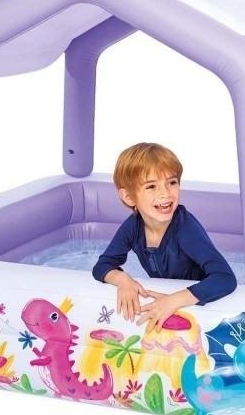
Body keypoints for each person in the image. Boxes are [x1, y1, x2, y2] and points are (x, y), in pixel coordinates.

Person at [92, 142, 237, 332]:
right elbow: (102, 265)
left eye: (172, 182)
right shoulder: (133, 226)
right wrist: (123, 280)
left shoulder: (185, 228)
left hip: (201, 295)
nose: (165, 193)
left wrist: (174, 300)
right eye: (151, 186)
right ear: (129, 197)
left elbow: (225, 278)